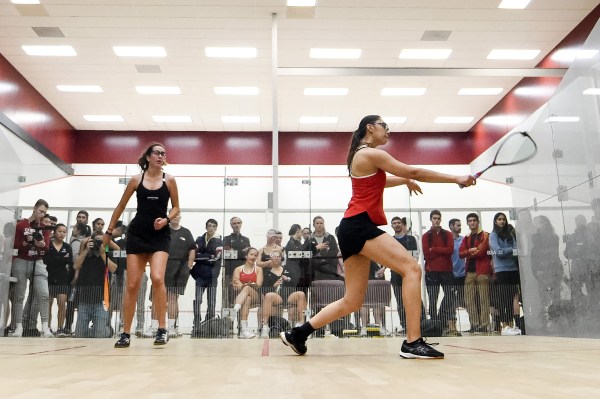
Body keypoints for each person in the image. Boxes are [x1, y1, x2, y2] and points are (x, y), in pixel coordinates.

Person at [280, 115, 475, 359]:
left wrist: (404, 181)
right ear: (370, 128)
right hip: (360, 226)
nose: (388, 132)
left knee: (352, 301)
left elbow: (379, 182)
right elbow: (413, 169)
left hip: (350, 228)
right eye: (385, 127)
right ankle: (413, 342)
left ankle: (298, 333)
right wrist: (456, 178)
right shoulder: (371, 154)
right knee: (412, 269)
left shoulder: (359, 156)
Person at [104, 143, 180, 348]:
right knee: (132, 284)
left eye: (163, 153)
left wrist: (166, 219)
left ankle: (162, 329)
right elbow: (120, 206)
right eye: (157, 152)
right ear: (148, 157)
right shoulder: (136, 180)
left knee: (157, 277)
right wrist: (109, 231)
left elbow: (176, 208)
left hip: (160, 236)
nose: (161, 156)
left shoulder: (170, 180)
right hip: (137, 234)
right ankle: (126, 333)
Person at [10, 199, 52, 338]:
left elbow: (46, 248)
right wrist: (26, 241)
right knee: (19, 296)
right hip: (22, 260)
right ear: (34, 208)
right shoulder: (21, 224)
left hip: (38, 261)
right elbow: (15, 244)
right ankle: (18, 327)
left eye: (44, 212)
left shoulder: (44, 227)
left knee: (44, 294)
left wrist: (40, 244)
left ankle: (45, 326)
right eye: (40, 211)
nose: (42, 214)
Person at [74, 231, 117, 338]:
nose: (98, 243)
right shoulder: (86, 253)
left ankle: (107, 330)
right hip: (84, 299)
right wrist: (85, 250)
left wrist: (103, 254)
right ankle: (94, 330)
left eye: (100, 241)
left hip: (101, 301)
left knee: (100, 335)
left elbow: (113, 269)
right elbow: (76, 266)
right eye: (96, 240)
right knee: (79, 335)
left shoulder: (107, 252)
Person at [422, 210, 457, 335]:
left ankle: (441, 319)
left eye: (438, 218)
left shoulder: (447, 234)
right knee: (432, 298)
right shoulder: (426, 236)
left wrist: (435, 249)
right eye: (434, 218)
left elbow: (450, 250)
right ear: (431, 219)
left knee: (450, 296)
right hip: (431, 271)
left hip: (446, 270)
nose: (436, 220)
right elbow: (427, 254)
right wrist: (439, 251)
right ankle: (434, 322)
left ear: (440, 219)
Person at [260, 248, 306, 338]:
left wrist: (288, 279)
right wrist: (274, 285)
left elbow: (296, 282)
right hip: (276, 297)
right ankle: (265, 327)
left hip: (289, 295)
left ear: (281, 258)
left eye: (278, 256)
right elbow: (263, 290)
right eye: (274, 256)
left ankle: (301, 324)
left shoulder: (288, 269)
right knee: (269, 295)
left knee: (301, 294)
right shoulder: (266, 272)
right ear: (270, 258)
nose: (276, 258)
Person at [459, 213, 493, 334]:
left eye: (474, 220)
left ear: (478, 222)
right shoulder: (466, 237)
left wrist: (468, 252)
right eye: (470, 221)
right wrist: (470, 250)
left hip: (483, 271)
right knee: (469, 299)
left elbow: (481, 252)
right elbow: (460, 253)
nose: (472, 222)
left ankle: (484, 325)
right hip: (470, 271)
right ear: (467, 223)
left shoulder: (485, 235)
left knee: (484, 298)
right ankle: (474, 324)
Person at [489, 212, 521, 336]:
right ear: (495, 221)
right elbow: (498, 252)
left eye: (503, 219)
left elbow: (517, 250)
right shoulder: (493, 235)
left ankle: (511, 325)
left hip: (512, 269)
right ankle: (504, 325)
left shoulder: (509, 235)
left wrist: (508, 251)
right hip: (501, 270)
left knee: (512, 298)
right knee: (504, 298)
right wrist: (510, 251)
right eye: (499, 219)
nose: (502, 221)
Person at [164, 214, 195, 337]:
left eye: (178, 215)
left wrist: (189, 265)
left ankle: (172, 327)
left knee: (173, 297)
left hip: (180, 269)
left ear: (180, 217)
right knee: (159, 296)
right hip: (164, 267)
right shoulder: (164, 231)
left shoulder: (186, 232)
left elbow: (192, 249)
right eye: (173, 215)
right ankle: (156, 326)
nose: (175, 217)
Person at [190, 218, 223, 334]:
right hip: (200, 276)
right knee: (198, 300)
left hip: (213, 276)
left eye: (214, 226)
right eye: (209, 226)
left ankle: (210, 323)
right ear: (206, 227)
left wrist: (203, 256)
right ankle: (197, 323)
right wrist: (207, 256)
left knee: (212, 301)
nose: (211, 228)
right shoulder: (199, 239)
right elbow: (195, 256)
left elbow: (215, 257)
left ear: (216, 228)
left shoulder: (219, 241)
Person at [389, 216, 419, 333]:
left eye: (398, 222)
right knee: (400, 303)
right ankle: (404, 325)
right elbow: (390, 258)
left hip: (410, 276)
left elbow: (415, 257)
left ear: (402, 224)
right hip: (396, 275)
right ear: (392, 226)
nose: (397, 225)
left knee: (412, 301)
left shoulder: (411, 239)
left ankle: (414, 325)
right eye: (394, 223)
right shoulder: (390, 241)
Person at [44, 223, 73, 337]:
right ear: (54, 232)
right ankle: (48, 328)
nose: (62, 234)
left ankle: (60, 328)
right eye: (59, 231)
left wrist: (57, 259)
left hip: (63, 279)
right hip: (49, 277)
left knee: (62, 303)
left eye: (64, 232)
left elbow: (69, 261)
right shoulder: (48, 245)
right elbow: (47, 260)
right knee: (48, 304)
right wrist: (61, 258)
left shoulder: (67, 247)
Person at [231, 247, 264, 338]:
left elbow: (259, 284)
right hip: (242, 297)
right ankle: (244, 330)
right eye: (251, 254)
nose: (253, 257)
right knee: (247, 299)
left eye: (255, 255)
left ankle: (235, 310)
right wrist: (245, 285)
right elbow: (235, 284)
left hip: (256, 296)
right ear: (246, 256)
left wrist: (246, 285)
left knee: (247, 288)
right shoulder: (238, 269)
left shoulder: (258, 269)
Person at [222, 216, 251, 305]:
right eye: (234, 223)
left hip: (242, 273)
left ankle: (240, 318)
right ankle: (228, 319)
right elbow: (227, 254)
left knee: (241, 296)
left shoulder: (246, 239)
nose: (236, 225)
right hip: (229, 273)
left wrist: (234, 252)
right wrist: (241, 252)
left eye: (238, 223)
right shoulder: (226, 239)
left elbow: (247, 255)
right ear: (231, 225)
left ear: (241, 224)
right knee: (228, 298)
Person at [305, 216, 342, 281]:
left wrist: (323, 257)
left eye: (321, 223)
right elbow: (306, 254)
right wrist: (316, 248)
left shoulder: (330, 237)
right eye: (317, 223)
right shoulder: (309, 239)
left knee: (329, 290)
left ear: (323, 224)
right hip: (315, 272)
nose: (319, 225)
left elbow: (335, 251)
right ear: (314, 225)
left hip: (329, 271)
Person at [449, 218, 466, 332]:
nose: (460, 227)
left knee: (465, 300)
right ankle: (452, 326)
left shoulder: (464, 239)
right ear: (451, 226)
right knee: (451, 301)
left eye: (460, 225)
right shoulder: (447, 240)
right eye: (457, 225)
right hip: (450, 275)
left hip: (463, 275)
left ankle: (475, 325)